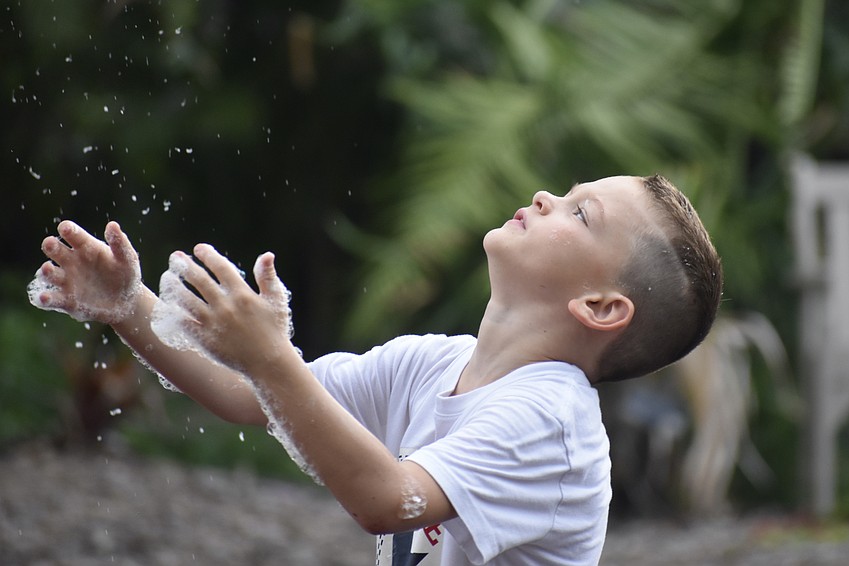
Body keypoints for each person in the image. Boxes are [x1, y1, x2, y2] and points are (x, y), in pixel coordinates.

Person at [29, 174, 722, 565]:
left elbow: (389, 501)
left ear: (600, 306)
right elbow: (250, 397)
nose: (546, 197)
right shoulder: (434, 362)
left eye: (581, 212)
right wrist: (129, 305)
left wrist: (271, 358)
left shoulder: (551, 422)